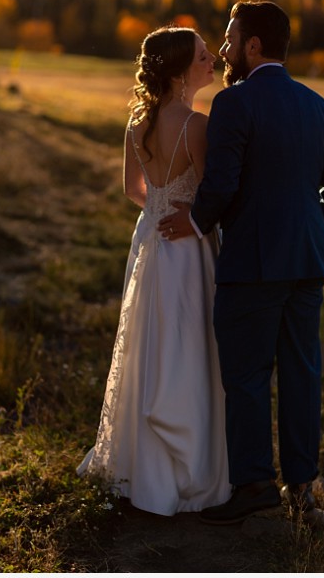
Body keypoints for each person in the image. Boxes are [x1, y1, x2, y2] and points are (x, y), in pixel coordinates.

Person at [158, 0, 324, 525]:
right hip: (307, 263)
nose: (222, 49)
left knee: (246, 375)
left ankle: (253, 485)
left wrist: (197, 222)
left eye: (229, 38)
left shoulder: (234, 103)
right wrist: (317, 235)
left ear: (252, 45)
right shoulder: (318, 105)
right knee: (301, 373)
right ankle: (302, 484)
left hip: (251, 263)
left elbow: (221, 183)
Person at [78, 26, 232, 516]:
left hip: (150, 242)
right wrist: (184, 212)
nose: (213, 63)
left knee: (150, 343)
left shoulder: (136, 125)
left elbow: (131, 189)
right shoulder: (197, 126)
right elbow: (211, 198)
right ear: (182, 70)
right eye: (205, 57)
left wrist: (158, 209)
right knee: (188, 344)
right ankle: (188, 468)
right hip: (188, 249)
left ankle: (142, 466)